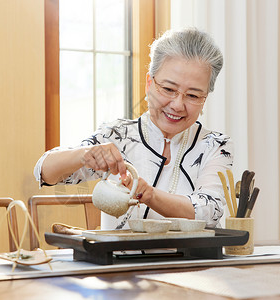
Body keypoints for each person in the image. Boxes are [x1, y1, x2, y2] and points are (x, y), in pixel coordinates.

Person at [34, 28, 233, 230]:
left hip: (190, 261)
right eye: (168, 89)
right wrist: (86, 154)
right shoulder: (117, 135)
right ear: (149, 84)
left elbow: (209, 211)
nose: (177, 105)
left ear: (205, 97)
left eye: (193, 95)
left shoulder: (215, 146)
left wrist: (150, 195)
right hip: (119, 261)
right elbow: (44, 171)